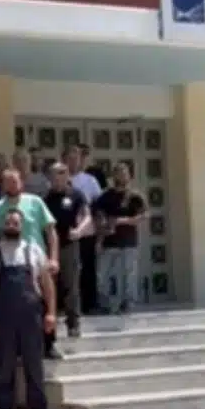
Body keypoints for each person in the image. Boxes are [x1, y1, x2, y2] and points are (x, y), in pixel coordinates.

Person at [0, 208, 57, 409]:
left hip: (31, 316)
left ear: (22, 226)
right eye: (8, 223)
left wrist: (51, 312)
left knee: (34, 363)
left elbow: (46, 283)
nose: (12, 226)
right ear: (2, 226)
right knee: (4, 364)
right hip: (2, 316)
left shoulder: (34, 250)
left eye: (16, 223)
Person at [93, 162, 148, 315]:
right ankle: (105, 304)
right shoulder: (105, 196)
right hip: (108, 241)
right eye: (118, 173)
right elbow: (98, 215)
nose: (122, 176)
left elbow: (144, 216)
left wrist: (122, 221)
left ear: (129, 176)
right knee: (103, 274)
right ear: (113, 176)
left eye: (125, 173)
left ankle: (128, 304)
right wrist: (100, 235)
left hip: (128, 242)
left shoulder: (135, 196)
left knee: (129, 274)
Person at [44, 163, 91, 339]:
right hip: (49, 246)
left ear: (67, 176)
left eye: (61, 175)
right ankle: (51, 325)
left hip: (69, 245)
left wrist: (79, 230)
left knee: (71, 285)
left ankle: (73, 324)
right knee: (50, 285)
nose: (57, 180)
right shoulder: (45, 198)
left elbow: (87, 215)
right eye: (54, 176)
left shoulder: (76, 195)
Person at [69, 145, 104, 314]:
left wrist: (100, 233)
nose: (73, 161)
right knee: (70, 270)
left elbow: (98, 207)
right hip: (68, 231)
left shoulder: (90, 181)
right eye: (70, 158)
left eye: (76, 158)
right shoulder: (59, 179)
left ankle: (90, 304)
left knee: (88, 268)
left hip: (87, 231)